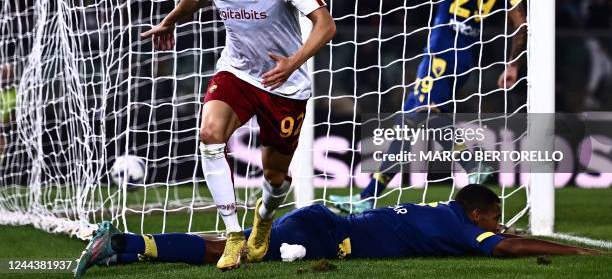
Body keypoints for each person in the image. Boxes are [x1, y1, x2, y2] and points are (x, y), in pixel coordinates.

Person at [140, 0, 335, 270]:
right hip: (238, 71)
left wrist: (292, 63)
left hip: (284, 85)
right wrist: (170, 21)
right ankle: (233, 235)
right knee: (209, 134)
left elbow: (325, 25)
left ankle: (262, 218)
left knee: (276, 176)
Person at [330, 0, 528, 213]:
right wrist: (513, 63)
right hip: (466, 57)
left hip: (442, 50)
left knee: (413, 117)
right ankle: (368, 197)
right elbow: (522, 21)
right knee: (416, 120)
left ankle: (472, 162)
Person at [73, 184, 601, 277]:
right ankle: (122, 244)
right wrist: (570, 250)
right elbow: (509, 245)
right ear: (482, 214)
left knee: (235, 248)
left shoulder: (443, 209)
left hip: (324, 222)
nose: (498, 225)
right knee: (234, 253)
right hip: (324, 238)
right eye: (495, 216)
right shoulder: (466, 228)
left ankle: (127, 247)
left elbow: (498, 229)